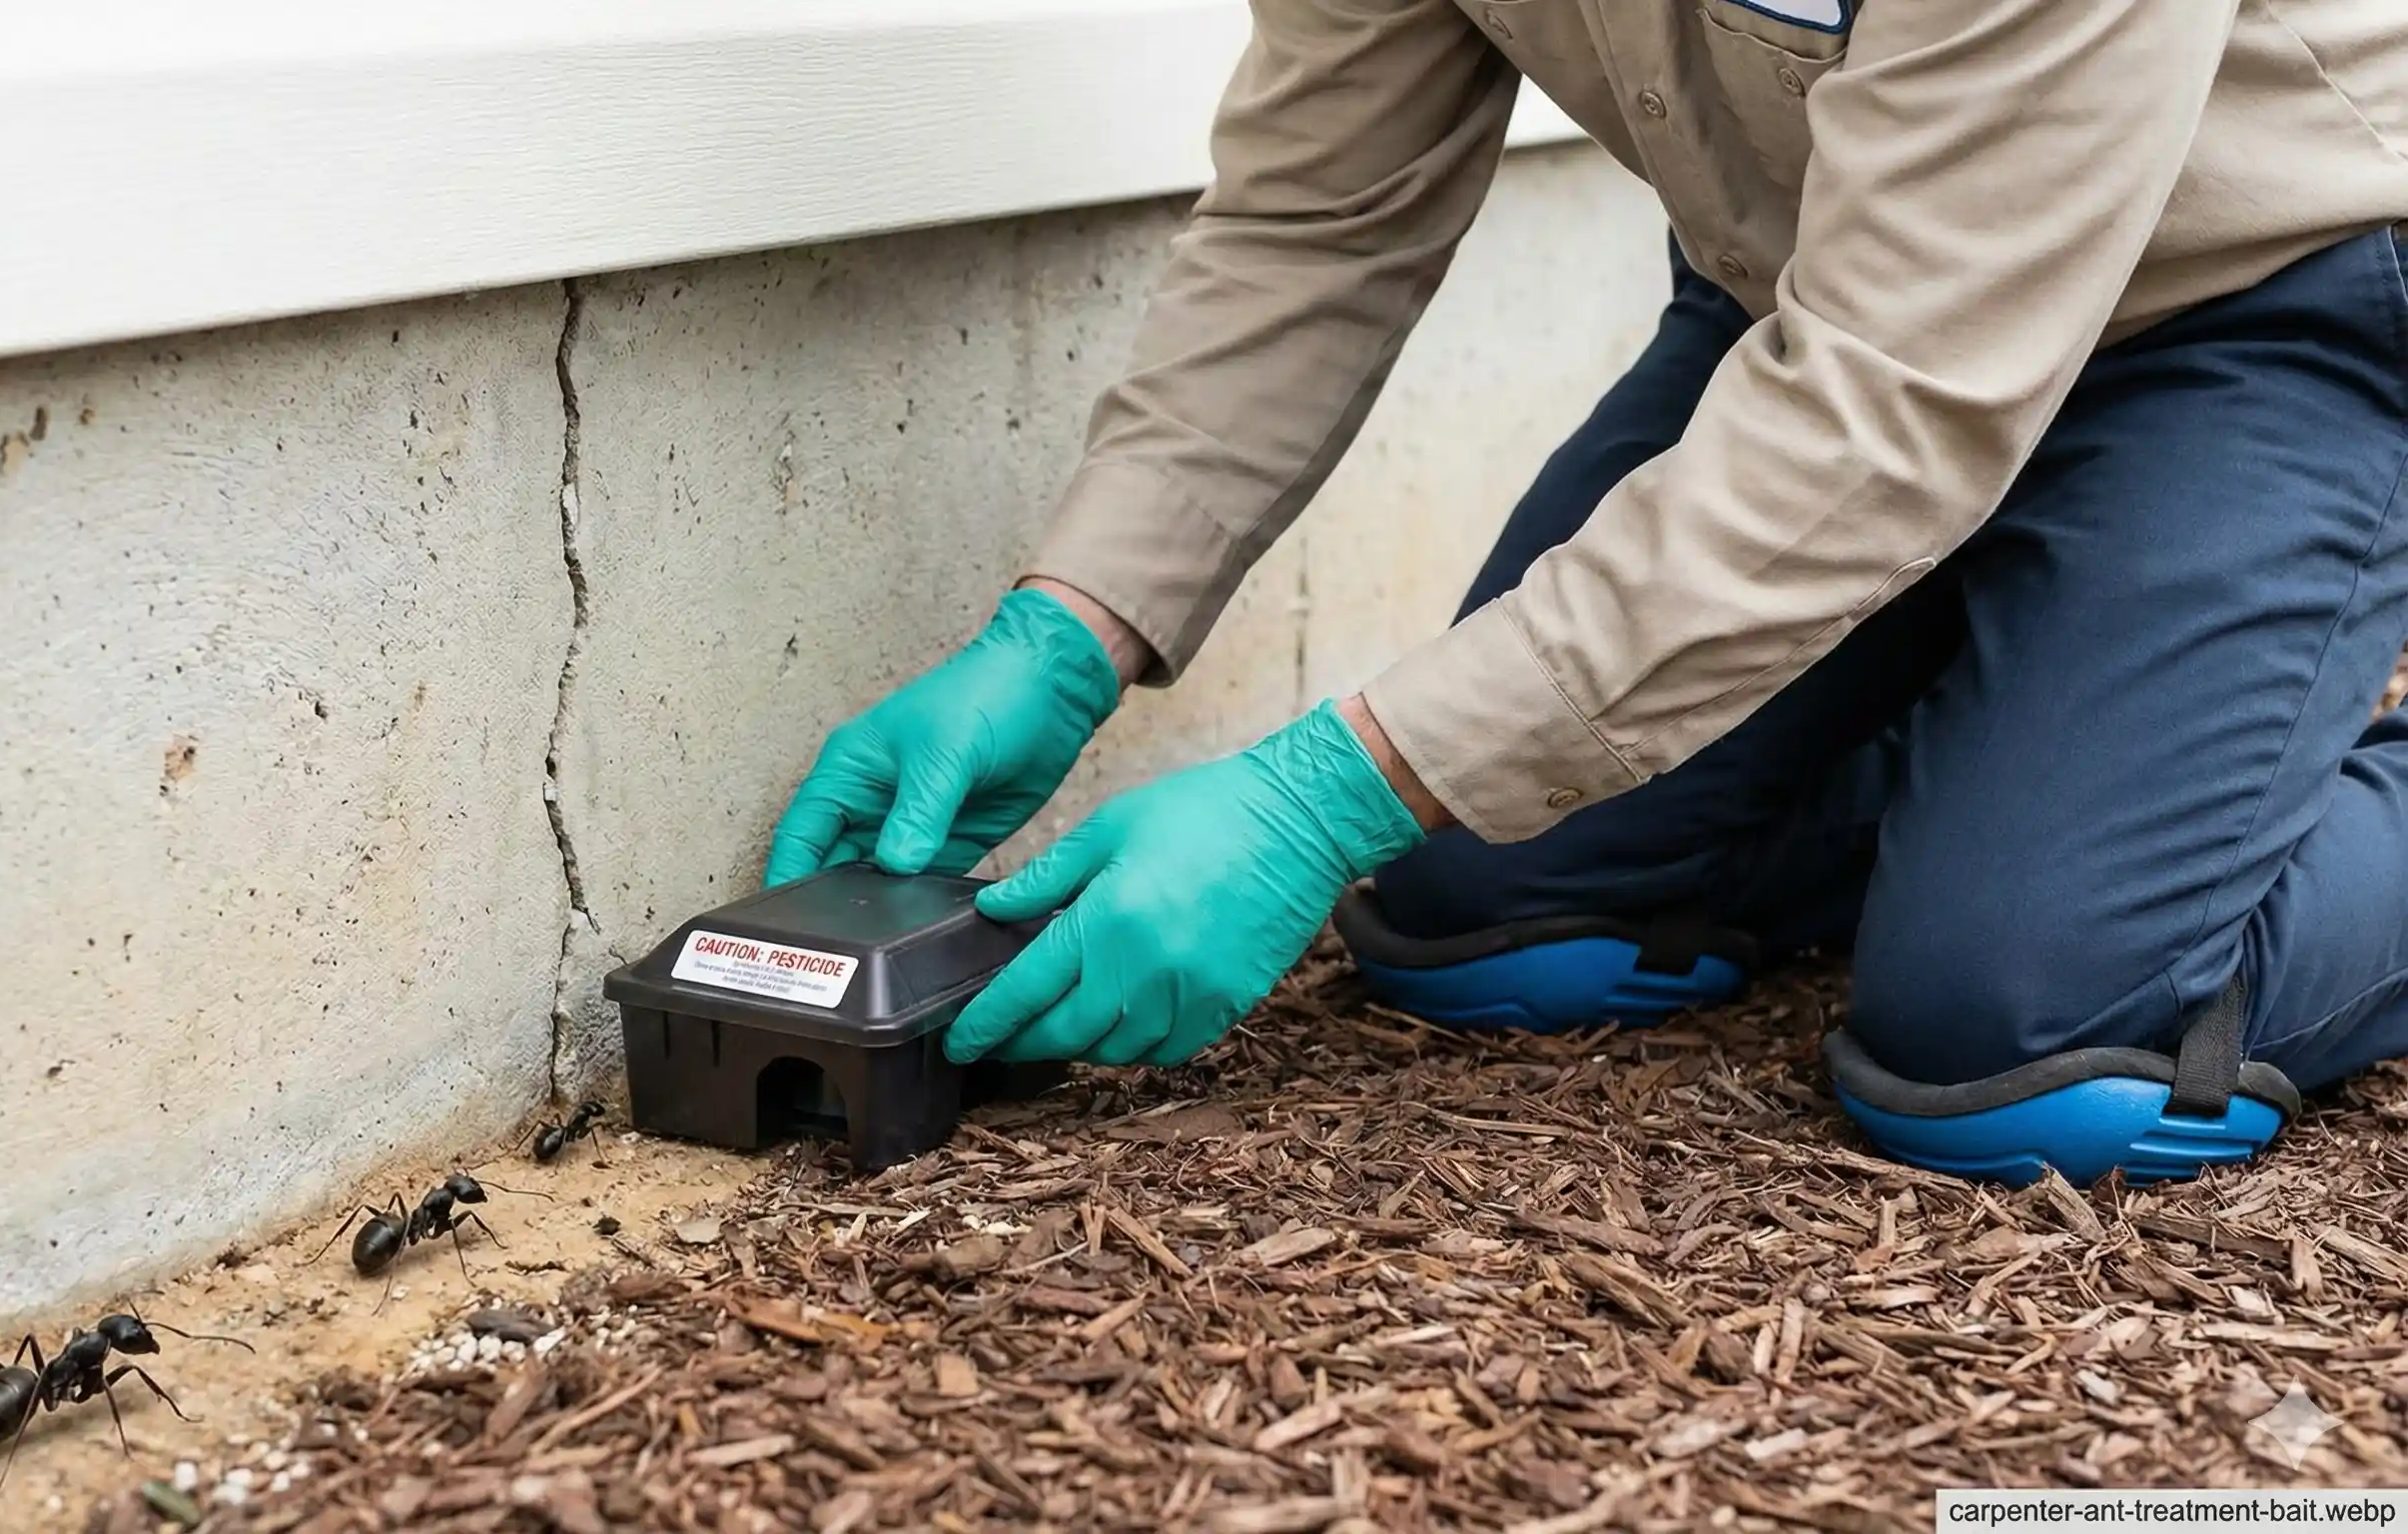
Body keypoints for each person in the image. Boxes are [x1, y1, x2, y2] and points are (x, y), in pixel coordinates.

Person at [766, 0, 2408, 1186]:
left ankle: (2087, 798)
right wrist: (1073, 620)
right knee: (1480, 915)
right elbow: (1318, 216)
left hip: (2251, 319)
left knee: (2026, 1048)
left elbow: (1901, 407)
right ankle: (2041, 738)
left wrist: (1324, 790)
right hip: (1814, 314)